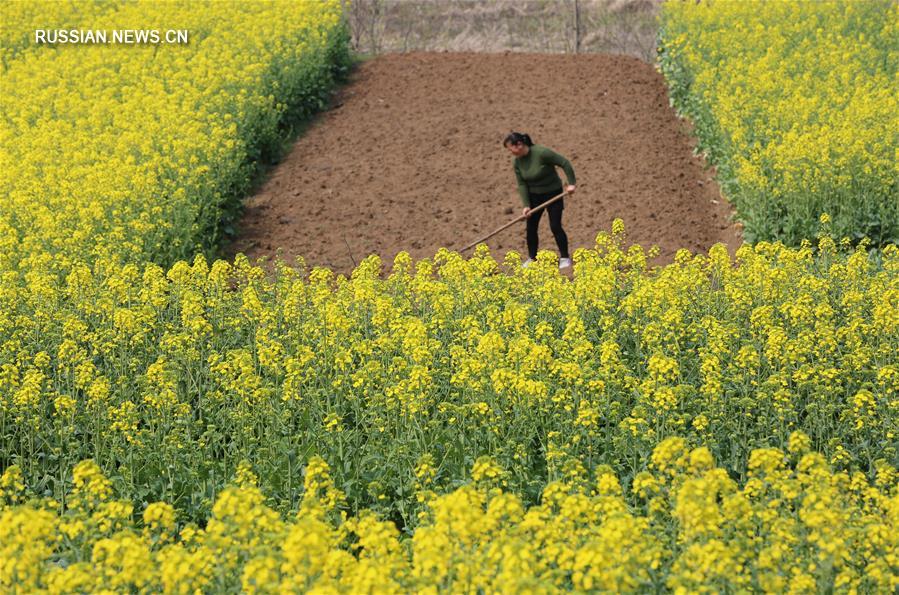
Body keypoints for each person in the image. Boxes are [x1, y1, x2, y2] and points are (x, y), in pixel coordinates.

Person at [503, 131, 576, 269]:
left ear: (519, 145)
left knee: (555, 225)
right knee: (531, 227)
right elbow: (522, 184)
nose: (510, 152)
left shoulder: (541, 153)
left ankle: (565, 257)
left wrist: (571, 183)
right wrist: (526, 205)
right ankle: (532, 258)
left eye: (510, 148)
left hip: (553, 194)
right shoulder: (517, 162)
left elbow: (564, 163)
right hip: (534, 196)